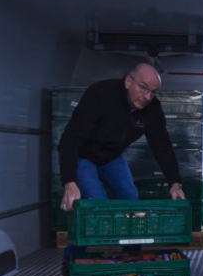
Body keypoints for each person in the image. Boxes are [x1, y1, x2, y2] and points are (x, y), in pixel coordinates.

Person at [58, 62, 186, 214]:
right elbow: (71, 138)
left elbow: (162, 147)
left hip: (112, 157)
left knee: (130, 199)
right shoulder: (100, 94)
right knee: (100, 203)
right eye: (143, 88)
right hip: (83, 156)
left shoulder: (153, 110)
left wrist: (175, 182)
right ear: (128, 81)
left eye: (153, 92)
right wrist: (69, 182)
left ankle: (129, 237)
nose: (147, 97)